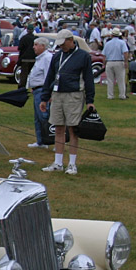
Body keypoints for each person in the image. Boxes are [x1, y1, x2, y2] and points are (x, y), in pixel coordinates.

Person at [39, 29, 96, 175]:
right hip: (57, 95)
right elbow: (50, 77)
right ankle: (58, 162)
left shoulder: (83, 56)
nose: (62, 47)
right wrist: (45, 97)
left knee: (73, 129)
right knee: (58, 128)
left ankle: (72, 163)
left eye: (64, 44)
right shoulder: (57, 56)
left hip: (74, 95)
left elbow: (89, 79)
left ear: (71, 41)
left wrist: (90, 100)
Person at [26, 37, 54, 149]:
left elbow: (49, 76)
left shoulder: (47, 58)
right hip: (36, 90)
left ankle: (52, 139)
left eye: (36, 44)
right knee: (37, 117)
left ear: (43, 46)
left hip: (43, 91)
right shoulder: (40, 58)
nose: (34, 47)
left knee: (44, 116)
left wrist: (49, 94)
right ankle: (40, 141)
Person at [101, 28, 130, 100]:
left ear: (112, 35)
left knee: (110, 80)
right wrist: (126, 62)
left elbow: (104, 55)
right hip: (119, 62)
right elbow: (125, 53)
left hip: (109, 62)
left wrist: (104, 64)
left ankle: (110, 95)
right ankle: (122, 95)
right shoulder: (122, 42)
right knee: (121, 80)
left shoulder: (107, 43)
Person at [16, 24, 36, 89]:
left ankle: (22, 88)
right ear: (33, 30)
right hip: (33, 59)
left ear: (27, 30)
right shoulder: (36, 39)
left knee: (24, 75)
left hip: (24, 59)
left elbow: (20, 48)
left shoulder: (23, 38)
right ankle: (33, 87)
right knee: (33, 74)